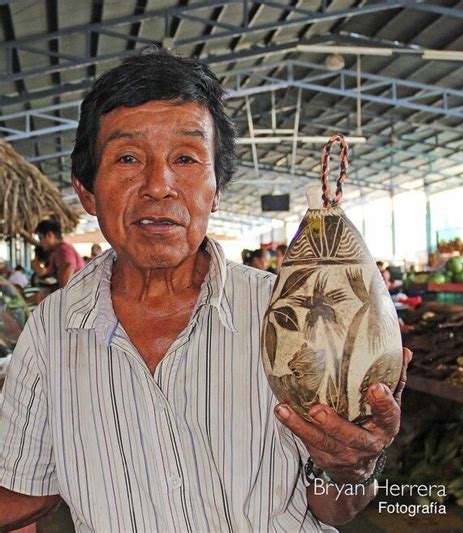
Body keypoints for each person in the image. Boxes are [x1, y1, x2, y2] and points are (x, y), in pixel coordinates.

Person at [0, 48, 410, 532]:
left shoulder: (288, 315)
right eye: (128, 157)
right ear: (86, 191)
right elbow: (25, 490)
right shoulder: (52, 331)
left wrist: (350, 467)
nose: (159, 185)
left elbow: (335, 506)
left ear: (216, 190)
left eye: (187, 158)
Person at [32, 220, 85, 288]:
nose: (40, 243)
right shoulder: (60, 250)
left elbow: (67, 270)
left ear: (49, 235)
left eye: (40, 238)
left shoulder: (63, 250)